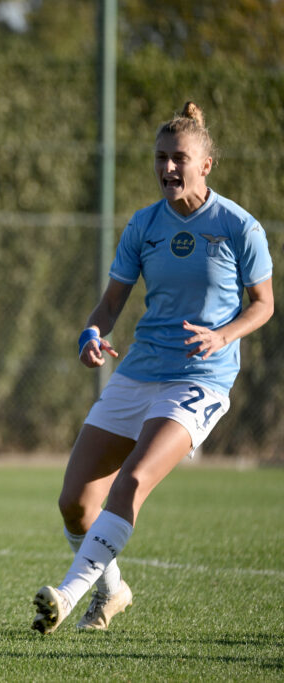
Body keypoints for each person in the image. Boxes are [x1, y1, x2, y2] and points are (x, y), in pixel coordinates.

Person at [31, 101, 274, 635]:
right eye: (161, 158)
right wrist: (93, 333)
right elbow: (110, 304)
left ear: (205, 164)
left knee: (133, 480)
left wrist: (223, 335)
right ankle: (112, 591)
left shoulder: (239, 227)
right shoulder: (143, 225)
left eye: (179, 159)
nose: (168, 168)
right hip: (139, 371)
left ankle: (68, 597)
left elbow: (264, 305)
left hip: (199, 378)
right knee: (74, 501)